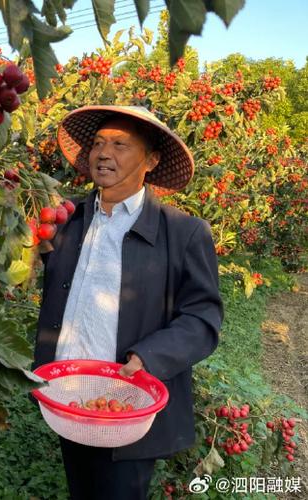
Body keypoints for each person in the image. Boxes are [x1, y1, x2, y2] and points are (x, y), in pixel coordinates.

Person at [33, 105, 224, 499]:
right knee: (80, 488)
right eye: (99, 143)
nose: (104, 153)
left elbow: (203, 317)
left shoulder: (184, 233)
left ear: (151, 160)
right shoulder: (65, 217)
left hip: (127, 402)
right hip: (67, 392)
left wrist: (148, 358)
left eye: (120, 144)